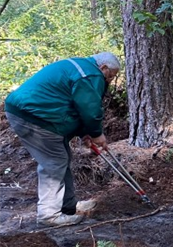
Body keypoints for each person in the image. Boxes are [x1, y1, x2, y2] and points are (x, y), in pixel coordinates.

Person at [4, 52, 120, 227]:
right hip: (34, 116)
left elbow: (73, 106)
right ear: (103, 68)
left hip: (33, 114)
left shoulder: (80, 68)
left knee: (62, 157)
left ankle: (68, 206)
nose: (110, 81)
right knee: (54, 161)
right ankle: (49, 215)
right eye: (110, 76)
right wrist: (96, 134)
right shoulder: (90, 74)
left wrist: (85, 134)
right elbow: (89, 109)